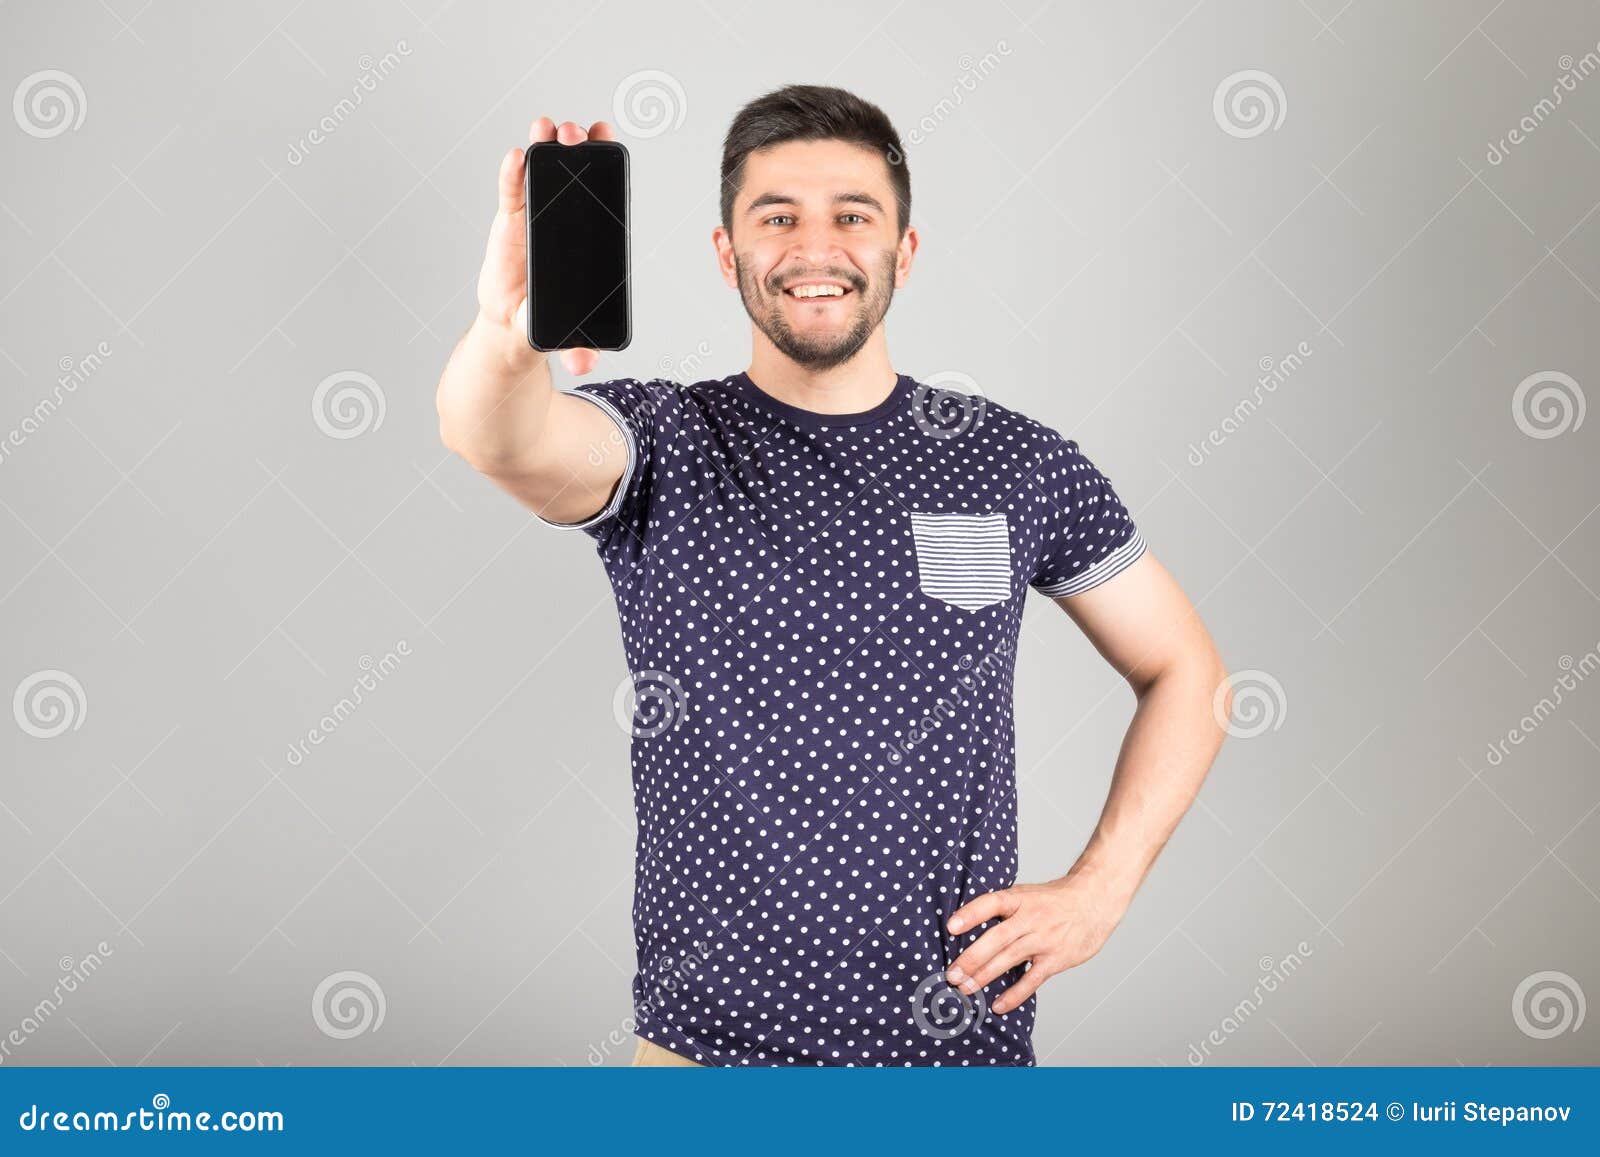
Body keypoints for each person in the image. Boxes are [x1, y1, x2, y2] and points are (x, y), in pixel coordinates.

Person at [436, 84, 1230, 1067]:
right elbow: (498, 438)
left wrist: (1100, 889)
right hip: (703, 1063)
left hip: (958, 1058)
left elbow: (1188, 674)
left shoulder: (1016, 463)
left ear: (904, 251)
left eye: (853, 216)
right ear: (727, 255)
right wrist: (502, 331)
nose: (815, 248)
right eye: (777, 218)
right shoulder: (669, 442)